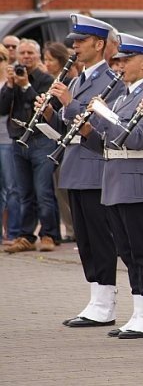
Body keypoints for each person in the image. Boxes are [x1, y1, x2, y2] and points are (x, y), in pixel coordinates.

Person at [42, 14, 125, 327]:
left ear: (99, 44)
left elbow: (101, 124)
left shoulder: (110, 80)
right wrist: (50, 111)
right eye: (73, 41)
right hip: (74, 164)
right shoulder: (77, 79)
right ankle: (95, 297)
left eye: (80, 41)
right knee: (85, 238)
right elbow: (67, 126)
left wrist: (68, 102)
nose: (74, 46)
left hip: (94, 165)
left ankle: (106, 303)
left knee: (100, 237)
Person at [79, 33, 143, 339]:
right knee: (126, 250)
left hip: (136, 179)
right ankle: (139, 311)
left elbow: (139, 138)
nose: (120, 66)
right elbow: (105, 144)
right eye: (119, 60)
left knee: (141, 249)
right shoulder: (122, 96)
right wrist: (89, 128)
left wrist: (106, 116)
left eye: (126, 60)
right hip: (115, 178)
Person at [0, 39, 60, 254]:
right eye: (22, 53)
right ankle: (26, 235)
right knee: (23, 192)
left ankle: (49, 234)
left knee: (43, 190)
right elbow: (2, 109)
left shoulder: (46, 80)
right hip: (18, 140)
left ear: (38, 57)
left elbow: (41, 106)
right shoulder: (12, 79)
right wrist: (9, 85)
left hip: (41, 140)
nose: (25, 57)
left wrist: (25, 85)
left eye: (30, 53)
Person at [44, 41, 76, 243]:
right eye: (44, 59)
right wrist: (47, 112)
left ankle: (75, 229)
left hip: (74, 142)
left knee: (69, 189)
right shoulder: (50, 81)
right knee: (60, 188)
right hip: (58, 140)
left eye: (50, 59)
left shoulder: (70, 80)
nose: (46, 63)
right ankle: (71, 229)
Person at [0, 44, 21, 245]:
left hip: (7, 139)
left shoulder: (10, 80)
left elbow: (5, 109)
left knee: (12, 187)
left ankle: (14, 232)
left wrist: (10, 84)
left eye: (1, 58)